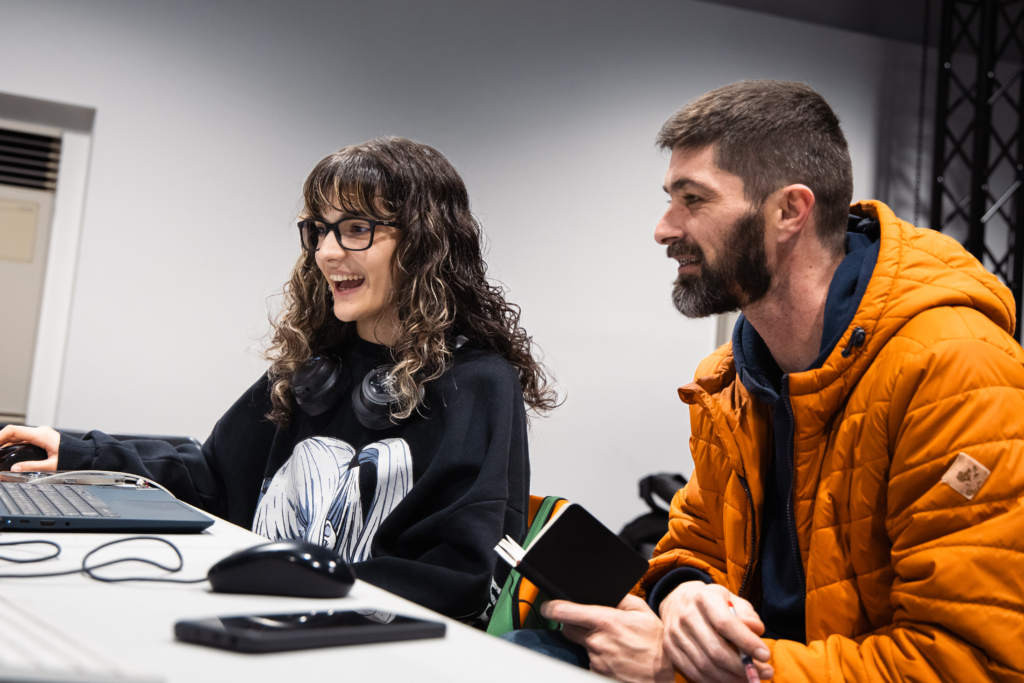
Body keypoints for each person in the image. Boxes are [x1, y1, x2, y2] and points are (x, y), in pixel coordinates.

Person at [540, 81, 1024, 682]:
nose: (663, 229)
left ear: (790, 211)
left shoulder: (956, 370)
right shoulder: (732, 378)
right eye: (670, 199)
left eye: (693, 199)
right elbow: (694, 543)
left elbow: (968, 664)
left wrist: (679, 668)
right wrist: (684, 593)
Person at [0, 136, 558, 627]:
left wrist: (285, 584)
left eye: (357, 229)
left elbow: (458, 577)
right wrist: (82, 454)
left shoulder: (476, 383)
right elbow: (214, 481)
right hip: (270, 613)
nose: (327, 252)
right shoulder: (316, 368)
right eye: (319, 230)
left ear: (424, 242)